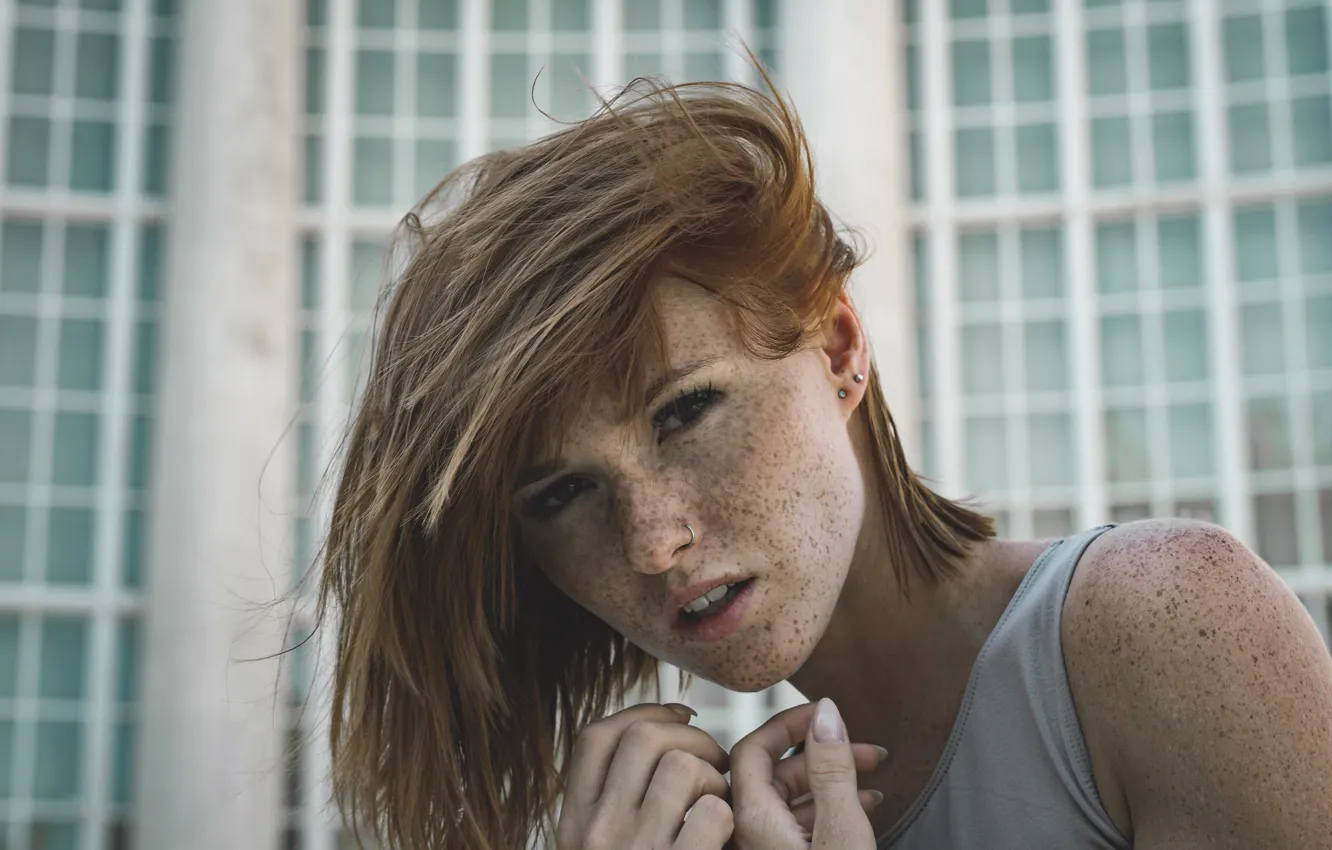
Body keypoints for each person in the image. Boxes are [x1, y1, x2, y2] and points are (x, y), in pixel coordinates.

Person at [313, 74, 1332, 850]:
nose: (654, 541)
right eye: (565, 492)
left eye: (687, 409)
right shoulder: (711, 823)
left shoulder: (1166, 626)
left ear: (839, 348)